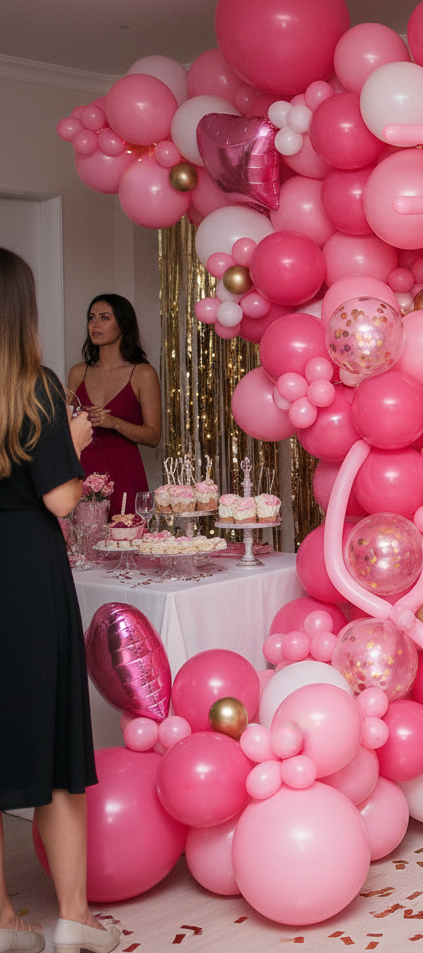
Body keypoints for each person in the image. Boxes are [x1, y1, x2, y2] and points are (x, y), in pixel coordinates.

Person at [0, 250, 120, 953]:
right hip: (26, 569)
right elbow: (61, 500)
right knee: (56, 747)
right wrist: (71, 444)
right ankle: (74, 918)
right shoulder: (37, 386)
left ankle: (4, 923)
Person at [66, 295, 160, 519]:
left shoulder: (143, 373)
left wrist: (114, 423)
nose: (95, 324)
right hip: (83, 468)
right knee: (84, 536)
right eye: (91, 318)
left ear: (123, 324)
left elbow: (153, 436)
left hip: (124, 468)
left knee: (126, 534)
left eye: (104, 318)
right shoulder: (78, 372)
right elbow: (65, 426)